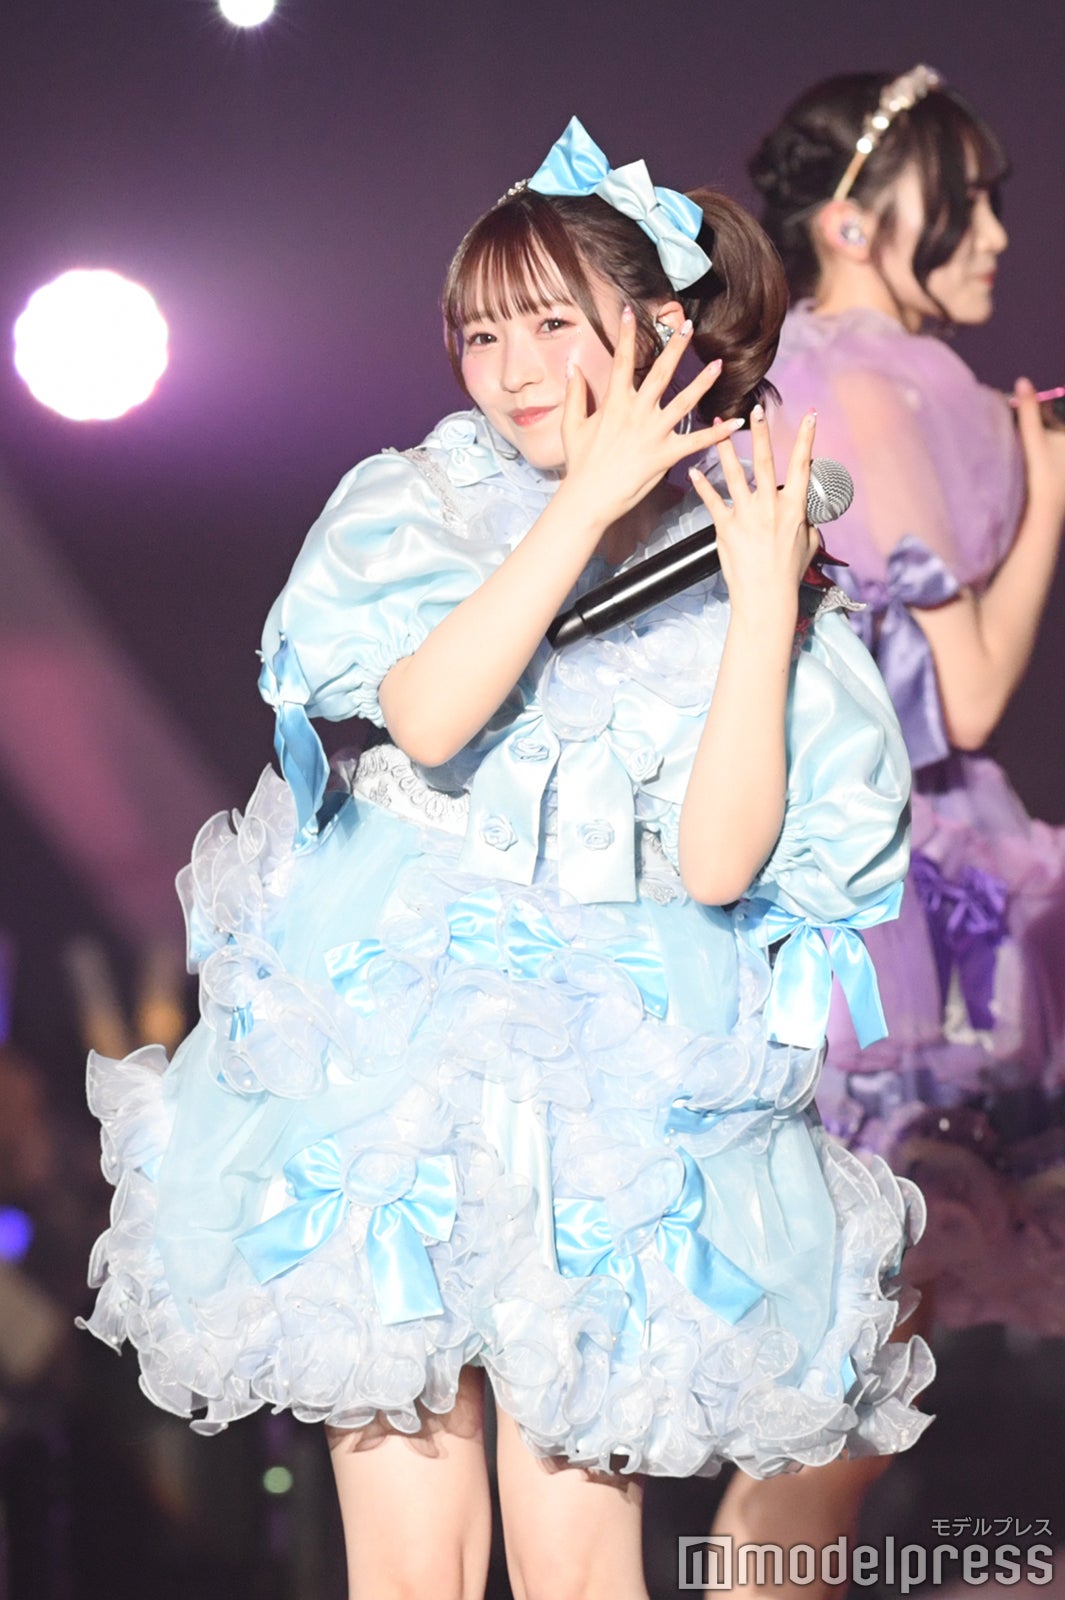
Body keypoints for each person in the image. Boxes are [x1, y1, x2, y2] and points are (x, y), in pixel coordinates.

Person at [80, 117, 928, 1600]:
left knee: (577, 1550)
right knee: (408, 1550)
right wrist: (584, 503)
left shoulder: (735, 537)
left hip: (613, 1066)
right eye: (481, 333)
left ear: (660, 331)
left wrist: (759, 611)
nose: (511, 367)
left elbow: (719, 865)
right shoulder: (421, 503)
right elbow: (424, 713)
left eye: (550, 324)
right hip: (394, 1031)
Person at [708, 67, 1065, 1596]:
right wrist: (1048, 504)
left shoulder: (872, 376)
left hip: (912, 877)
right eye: (962, 201)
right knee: (837, 1388)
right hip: (893, 894)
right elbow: (960, 694)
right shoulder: (860, 383)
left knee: (855, 1380)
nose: (993, 234)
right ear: (852, 220)